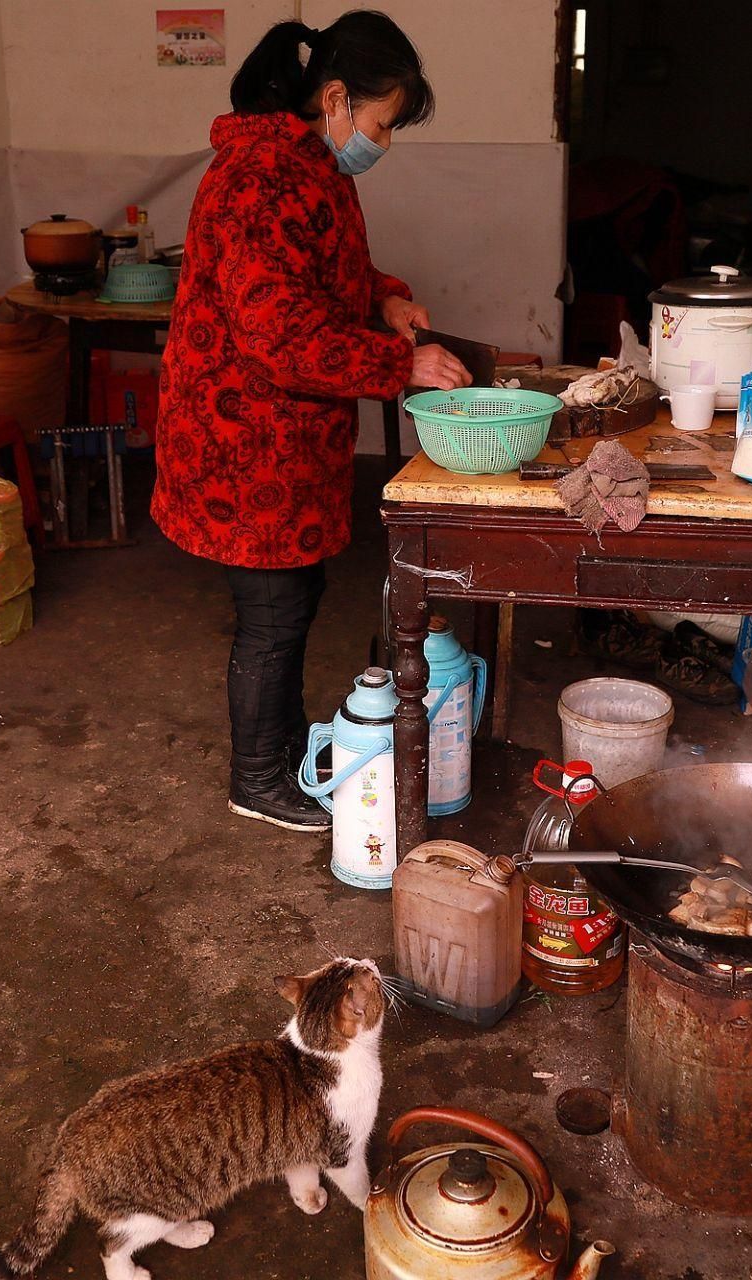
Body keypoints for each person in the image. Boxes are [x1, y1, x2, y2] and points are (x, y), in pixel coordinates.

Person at [152, 10, 471, 832]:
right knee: (272, 614)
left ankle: (285, 748)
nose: (382, 143)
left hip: (282, 441)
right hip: (242, 438)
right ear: (334, 98)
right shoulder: (259, 176)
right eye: (381, 123)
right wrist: (401, 365)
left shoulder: (310, 166)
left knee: (295, 597)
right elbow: (281, 336)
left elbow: (327, 270)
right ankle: (256, 779)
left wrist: (385, 298)